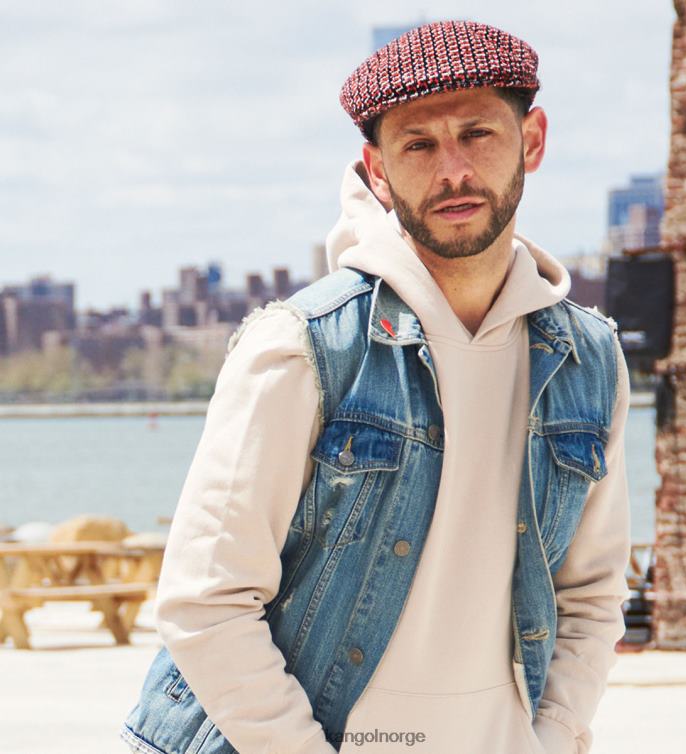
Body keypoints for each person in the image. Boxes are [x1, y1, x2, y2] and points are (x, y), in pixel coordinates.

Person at [121, 19, 631, 754]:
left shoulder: (588, 359)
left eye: (478, 134)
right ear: (378, 171)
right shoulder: (302, 346)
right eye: (419, 145)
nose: (453, 171)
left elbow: (591, 596)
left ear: (533, 139)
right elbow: (206, 602)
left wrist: (549, 737)